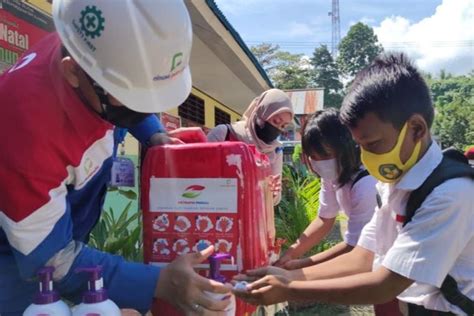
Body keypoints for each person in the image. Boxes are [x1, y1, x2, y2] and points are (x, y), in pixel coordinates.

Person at [0, 1, 230, 315]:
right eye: (136, 99)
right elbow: (51, 259)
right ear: (72, 72)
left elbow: (130, 93)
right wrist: (159, 283)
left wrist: (154, 134)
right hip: (11, 259)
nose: (144, 108)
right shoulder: (24, 129)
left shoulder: (96, 52)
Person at [233, 53, 474, 315]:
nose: (365, 156)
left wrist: (289, 287)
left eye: (372, 144)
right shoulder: (391, 184)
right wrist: (289, 275)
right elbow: (362, 257)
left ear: (416, 129)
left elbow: (385, 284)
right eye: (360, 146)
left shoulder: (450, 194)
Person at [275, 109, 377, 270]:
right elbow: (324, 220)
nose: (320, 162)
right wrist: (290, 254)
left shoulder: (367, 185)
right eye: (313, 157)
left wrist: (298, 267)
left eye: (326, 155)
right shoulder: (334, 174)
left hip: (381, 259)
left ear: (347, 148)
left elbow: (354, 247)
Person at [207, 89, 294, 204]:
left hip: (251, 216)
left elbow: (275, 200)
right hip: (218, 211)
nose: (277, 129)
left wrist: (272, 192)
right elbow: (201, 175)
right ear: (261, 112)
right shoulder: (224, 134)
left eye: (283, 126)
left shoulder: (275, 150)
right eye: (275, 121)